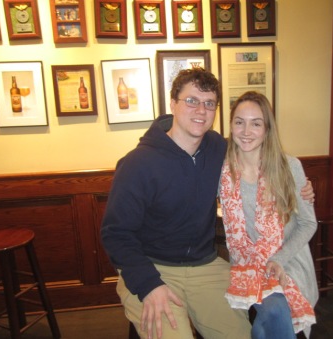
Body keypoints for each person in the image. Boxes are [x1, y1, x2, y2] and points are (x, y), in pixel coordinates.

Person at [101, 68, 315, 339]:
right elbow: (115, 234)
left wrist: (300, 186)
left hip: (205, 266)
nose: (200, 110)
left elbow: (256, 148)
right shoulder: (137, 164)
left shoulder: (218, 149)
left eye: (209, 103)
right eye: (191, 100)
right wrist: (148, 285)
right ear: (173, 103)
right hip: (152, 268)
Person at [219, 91, 318, 339]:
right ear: (231, 125)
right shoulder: (221, 171)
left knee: (272, 315)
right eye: (239, 122)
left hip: (289, 260)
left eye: (256, 123)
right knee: (271, 317)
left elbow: (308, 223)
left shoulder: (289, 166)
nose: (246, 131)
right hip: (246, 263)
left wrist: (279, 259)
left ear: (267, 129)